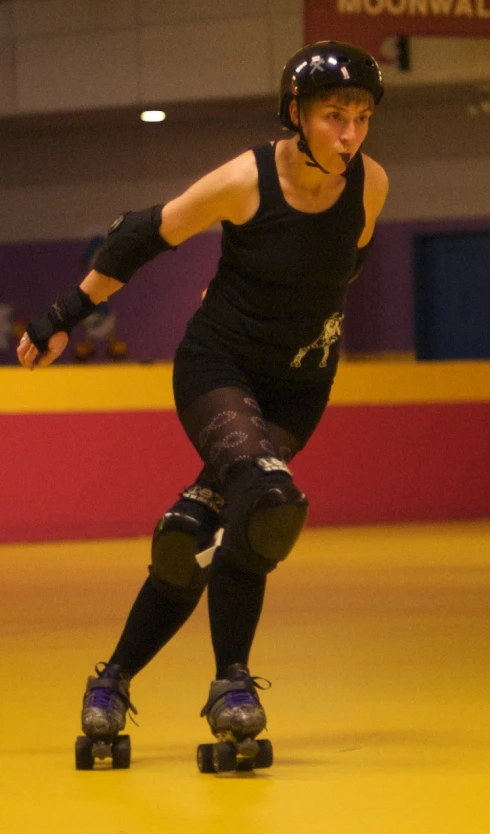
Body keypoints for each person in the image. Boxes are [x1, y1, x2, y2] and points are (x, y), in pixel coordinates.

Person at [17, 41, 389, 768]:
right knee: (267, 498)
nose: (348, 134)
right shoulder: (247, 179)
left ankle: (111, 682)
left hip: (298, 388)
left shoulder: (371, 184)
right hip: (217, 367)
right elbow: (141, 233)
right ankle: (232, 684)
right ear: (295, 115)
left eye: (361, 117)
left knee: (190, 536)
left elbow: (344, 270)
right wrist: (61, 314)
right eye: (332, 116)